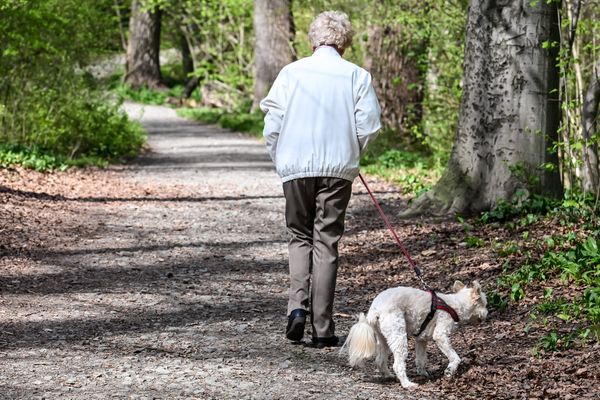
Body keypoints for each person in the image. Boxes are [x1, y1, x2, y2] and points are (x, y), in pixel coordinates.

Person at [259, 11, 381, 348]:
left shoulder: (291, 73)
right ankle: (323, 329)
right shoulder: (357, 75)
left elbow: (272, 124)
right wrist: (352, 153)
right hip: (337, 170)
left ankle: (296, 309)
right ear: (345, 42)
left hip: (296, 168)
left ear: (313, 40)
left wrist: (280, 158)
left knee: (299, 236)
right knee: (326, 241)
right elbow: (368, 126)